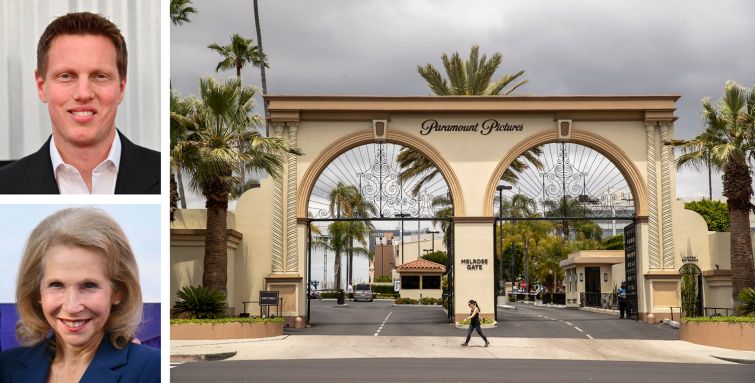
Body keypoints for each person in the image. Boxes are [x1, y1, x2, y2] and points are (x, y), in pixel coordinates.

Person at [0, 12, 159, 194]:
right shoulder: (5, 187)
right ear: (41, 85)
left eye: (100, 76)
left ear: (121, 87)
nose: (83, 93)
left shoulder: (163, 175)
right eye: (66, 76)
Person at [0, 208, 160, 382]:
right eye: (56, 285)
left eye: (89, 285)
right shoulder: (6, 367)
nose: (72, 306)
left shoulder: (152, 370)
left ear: (118, 291)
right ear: (37, 292)